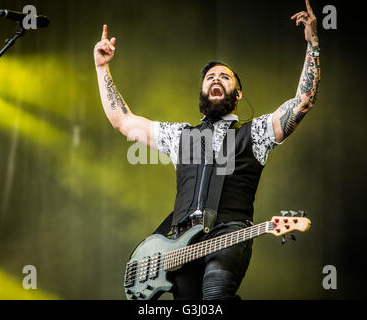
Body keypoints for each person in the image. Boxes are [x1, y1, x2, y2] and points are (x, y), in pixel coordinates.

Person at [94, 0, 320, 300]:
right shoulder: (180, 136)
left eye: (224, 77)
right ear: (202, 91)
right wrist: (102, 67)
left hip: (228, 236)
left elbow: (302, 101)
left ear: (237, 93)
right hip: (179, 248)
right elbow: (123, 121)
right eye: (210, 77)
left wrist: (313, 43)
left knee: (216, 296)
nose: (216, 78)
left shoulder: (256, 133)